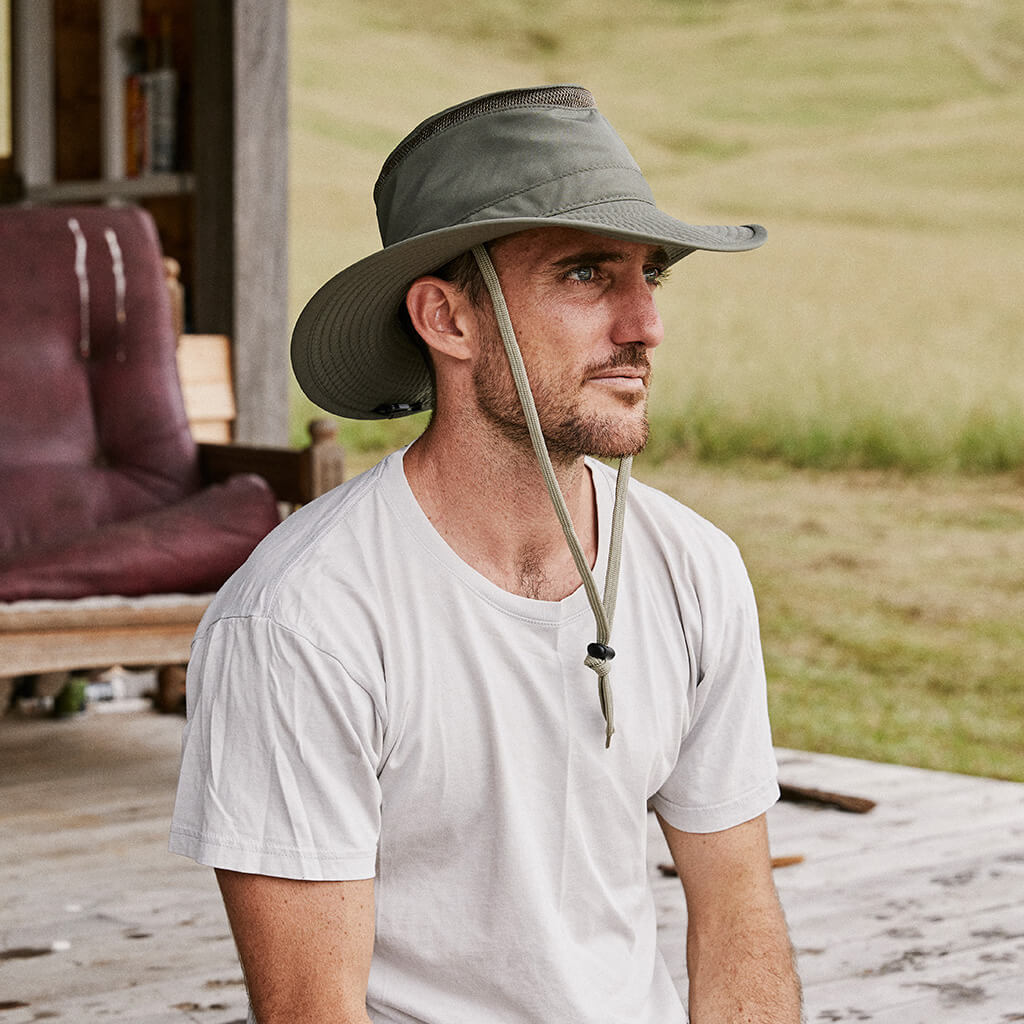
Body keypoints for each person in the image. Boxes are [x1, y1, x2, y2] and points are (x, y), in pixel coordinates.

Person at [170, 85, 802, 1023]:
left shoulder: (694, 570)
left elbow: (739, 918)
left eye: (650, 276)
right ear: (448, 320)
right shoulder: (303, 619)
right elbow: (314, 1012)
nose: (645, 325)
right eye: (588, 274)